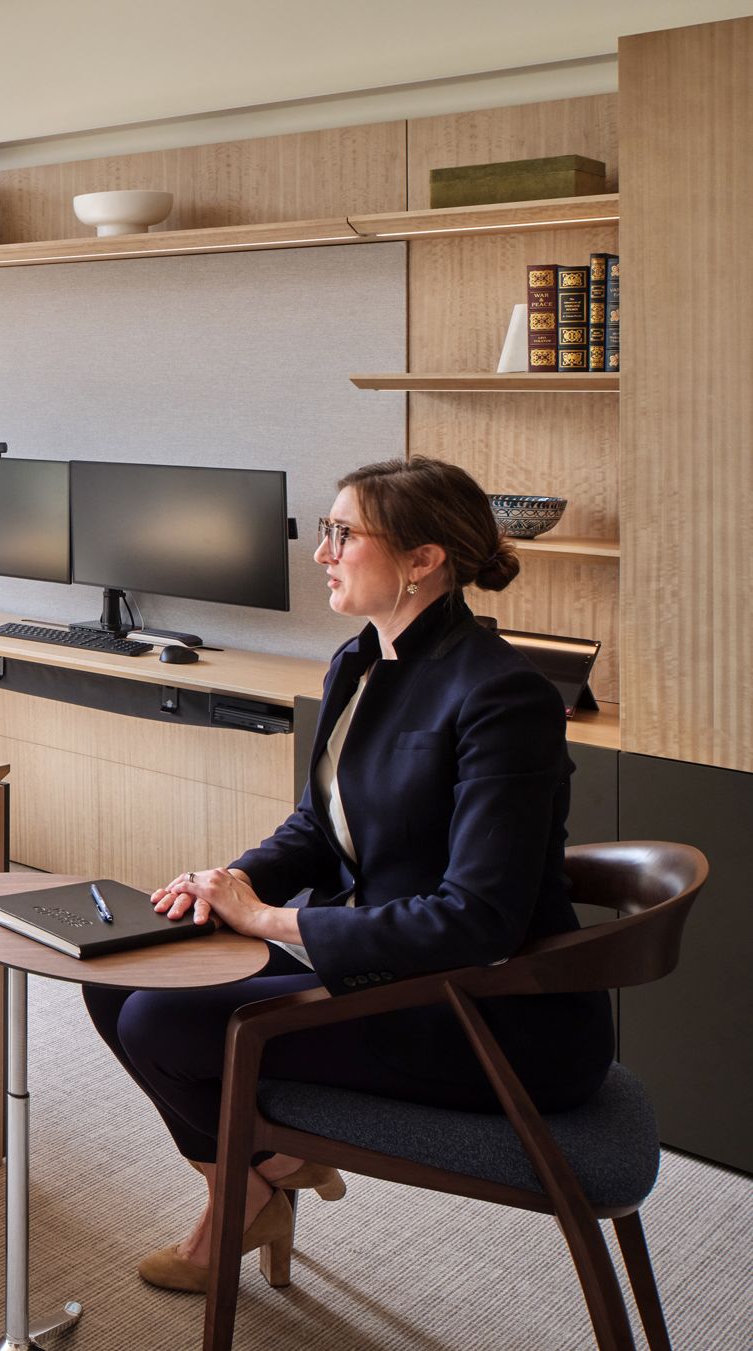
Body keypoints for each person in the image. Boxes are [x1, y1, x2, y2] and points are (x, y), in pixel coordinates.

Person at [82, 457, 610, 1293]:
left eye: (341, 533)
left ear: (423, 558)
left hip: (488, 1013)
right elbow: (316, 827)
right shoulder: (357, 661)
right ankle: (251, 1184)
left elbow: (476, 920)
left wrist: (267, 921)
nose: (321, 552)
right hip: (381, 965)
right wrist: (228, 882)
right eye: (324, 531)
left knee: (160, 1023)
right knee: (117, 975)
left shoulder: (504, 697)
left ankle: (248, 1192)